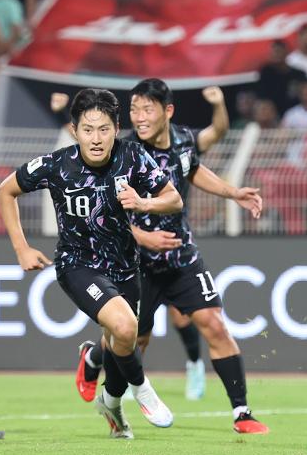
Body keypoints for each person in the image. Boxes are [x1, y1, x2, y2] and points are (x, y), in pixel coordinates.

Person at [76, 79, 269, 434]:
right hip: (135, 263)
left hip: (181, 257)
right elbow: (102, 211)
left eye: (146, 109)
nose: (139, 117)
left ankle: (242, 412)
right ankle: (93, 358)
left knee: (213, 323)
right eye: (134, 109)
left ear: (167, 112)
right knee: (133, 341)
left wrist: (233, 193)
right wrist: (143, 236)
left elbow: (192, 170)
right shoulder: (124, 151)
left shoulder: (182, 140)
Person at [0, 88, 181, 439]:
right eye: (87, 129)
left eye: (104, 129)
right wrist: (21, 248)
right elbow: (5, 190)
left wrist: (145, 204)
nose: (95, 139)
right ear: (74, 130)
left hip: (126, 268)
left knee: (121, 339)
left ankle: (109, 402)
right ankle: (143, 391)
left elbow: (172, 198)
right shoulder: (56, 165)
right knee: (126, 329)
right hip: (77, 265)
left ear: (116, 128)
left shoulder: (134, 157)